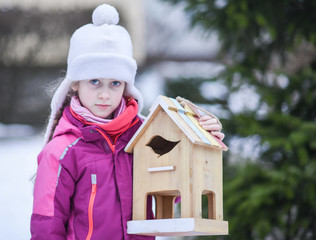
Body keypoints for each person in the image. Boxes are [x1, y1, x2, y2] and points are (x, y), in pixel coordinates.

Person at [30, 4, 224, 240]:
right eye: (94, 81)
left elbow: (174, 185)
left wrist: (199, 144)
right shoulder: (61, 152)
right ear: (74, 83)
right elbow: (46, 226)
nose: (105, 94)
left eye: (115, 83)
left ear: (126, 85)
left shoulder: (145, 138)